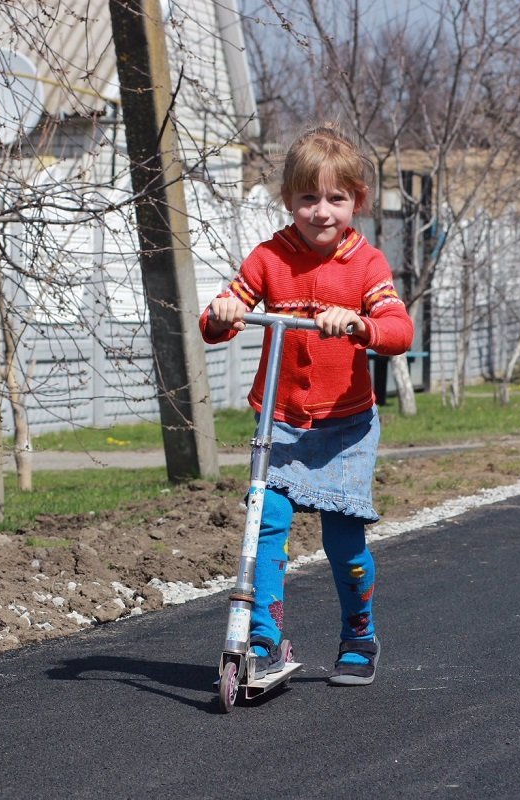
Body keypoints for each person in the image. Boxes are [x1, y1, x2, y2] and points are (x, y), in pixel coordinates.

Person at [199, 124, 414, 686]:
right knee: (266, 525)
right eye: (308, 198)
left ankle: (359, 635)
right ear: (289, 200)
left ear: (356, 203)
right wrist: (222, 311)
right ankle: (264, 640)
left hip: (345, 423)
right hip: (280, 420)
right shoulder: (270, 258)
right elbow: (217, 320)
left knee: (344, 541)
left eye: (336, 199)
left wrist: (360, 324)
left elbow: (398, 329)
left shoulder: (366, 265)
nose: (322, 212)